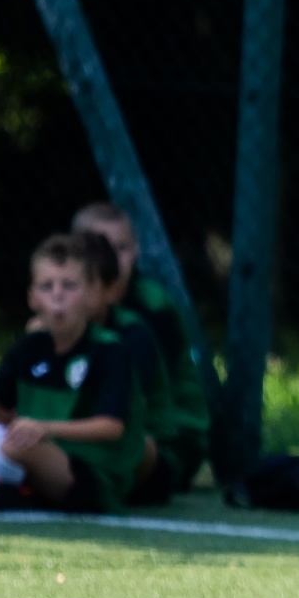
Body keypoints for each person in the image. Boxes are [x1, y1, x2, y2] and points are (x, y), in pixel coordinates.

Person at [0, 234, 143, 513]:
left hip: (94, 473)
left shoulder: (109, 350)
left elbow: (111, 426)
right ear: (32, 298)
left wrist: (44, 428)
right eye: (47, 286)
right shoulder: (29, 346)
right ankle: (19, 493)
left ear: (91, 295)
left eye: (69, 285)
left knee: (16, 446)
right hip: (44, 456)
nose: (57, 294)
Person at [72, 202, 211, 492]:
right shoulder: (62, 313)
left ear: (135, 252)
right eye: (100, 249)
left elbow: (127, 404)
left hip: (167, 437)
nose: (111, 260)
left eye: (121, 248)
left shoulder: (151, 311)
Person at [78, 230, 178, 505]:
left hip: (136, 448)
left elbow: (118, 420)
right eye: (50, 286)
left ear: (110, 290)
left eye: (77, 286)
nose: (64, 298)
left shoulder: (133, 335)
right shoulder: (45, 337)